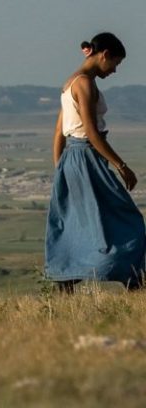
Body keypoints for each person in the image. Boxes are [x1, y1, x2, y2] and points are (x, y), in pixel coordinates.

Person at [45, 32, 145, 292]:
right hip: (87, 157)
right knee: (128, 218)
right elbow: (90, 131)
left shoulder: (70, 83)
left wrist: (60, 168)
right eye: (115, 63)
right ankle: (133, 278)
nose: (114, 70)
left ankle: (67, 279)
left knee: (78, 221)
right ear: (105, 55)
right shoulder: (85, 84)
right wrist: (121, 165)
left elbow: (59, 132)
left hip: (72, 159)